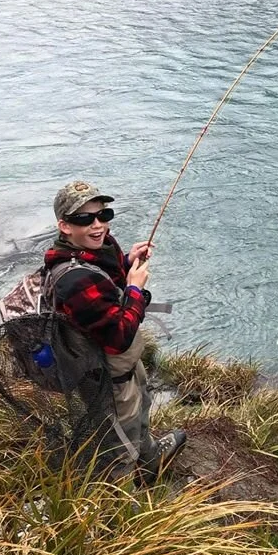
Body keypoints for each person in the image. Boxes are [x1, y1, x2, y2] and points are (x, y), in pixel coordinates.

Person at [44, 180, 186, 484]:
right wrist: (135, 289)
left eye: (103, 215)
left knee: (140, 412)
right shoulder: (74, 279)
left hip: (125, 370)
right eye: (84, 218)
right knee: (118, 448)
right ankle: (120, 504)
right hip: (108, 381)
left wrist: (126, 261)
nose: (98, 225)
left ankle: (150, 460)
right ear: (65, 226)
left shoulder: (90, 253)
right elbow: (118, 337)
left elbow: (105, 283)